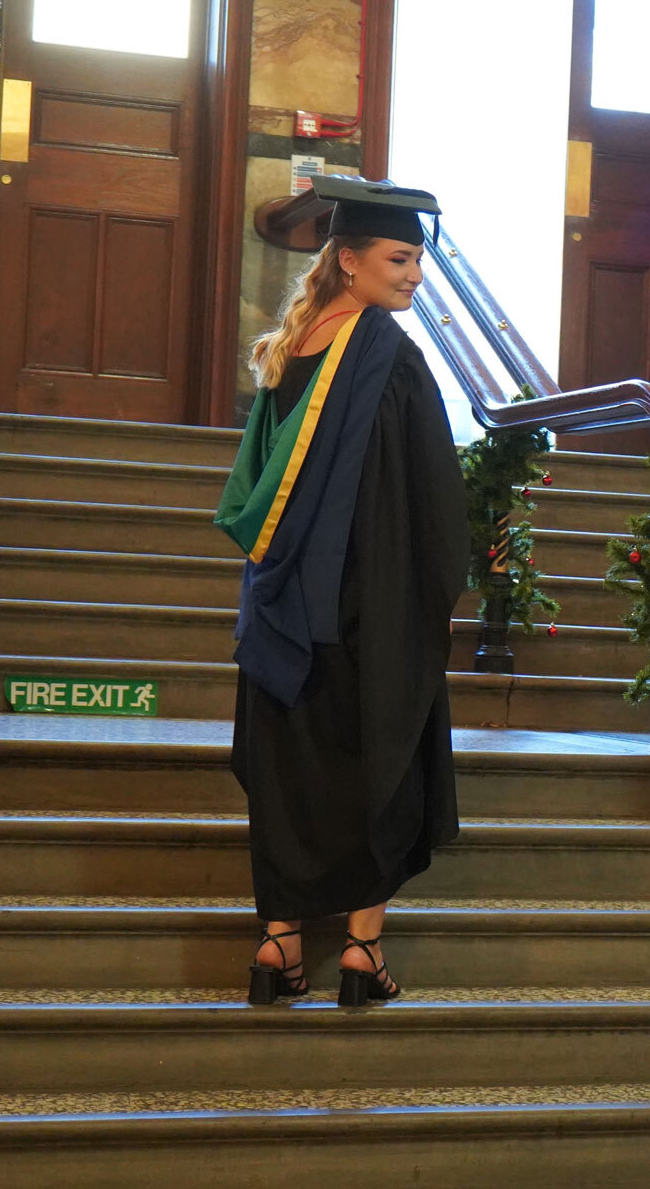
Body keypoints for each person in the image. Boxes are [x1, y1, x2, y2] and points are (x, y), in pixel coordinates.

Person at [214, 176, 467, 1009]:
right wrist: (440, 589)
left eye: (419, 259)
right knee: (383, 760)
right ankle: (362, 952)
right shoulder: (390, 357)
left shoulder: (289, 349)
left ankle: (279, 943)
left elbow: (261, 489)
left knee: (290, 764)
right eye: (400, 258)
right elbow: (433, 493)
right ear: (349, 260)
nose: (415, 276)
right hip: (371, 604)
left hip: (287, 603)